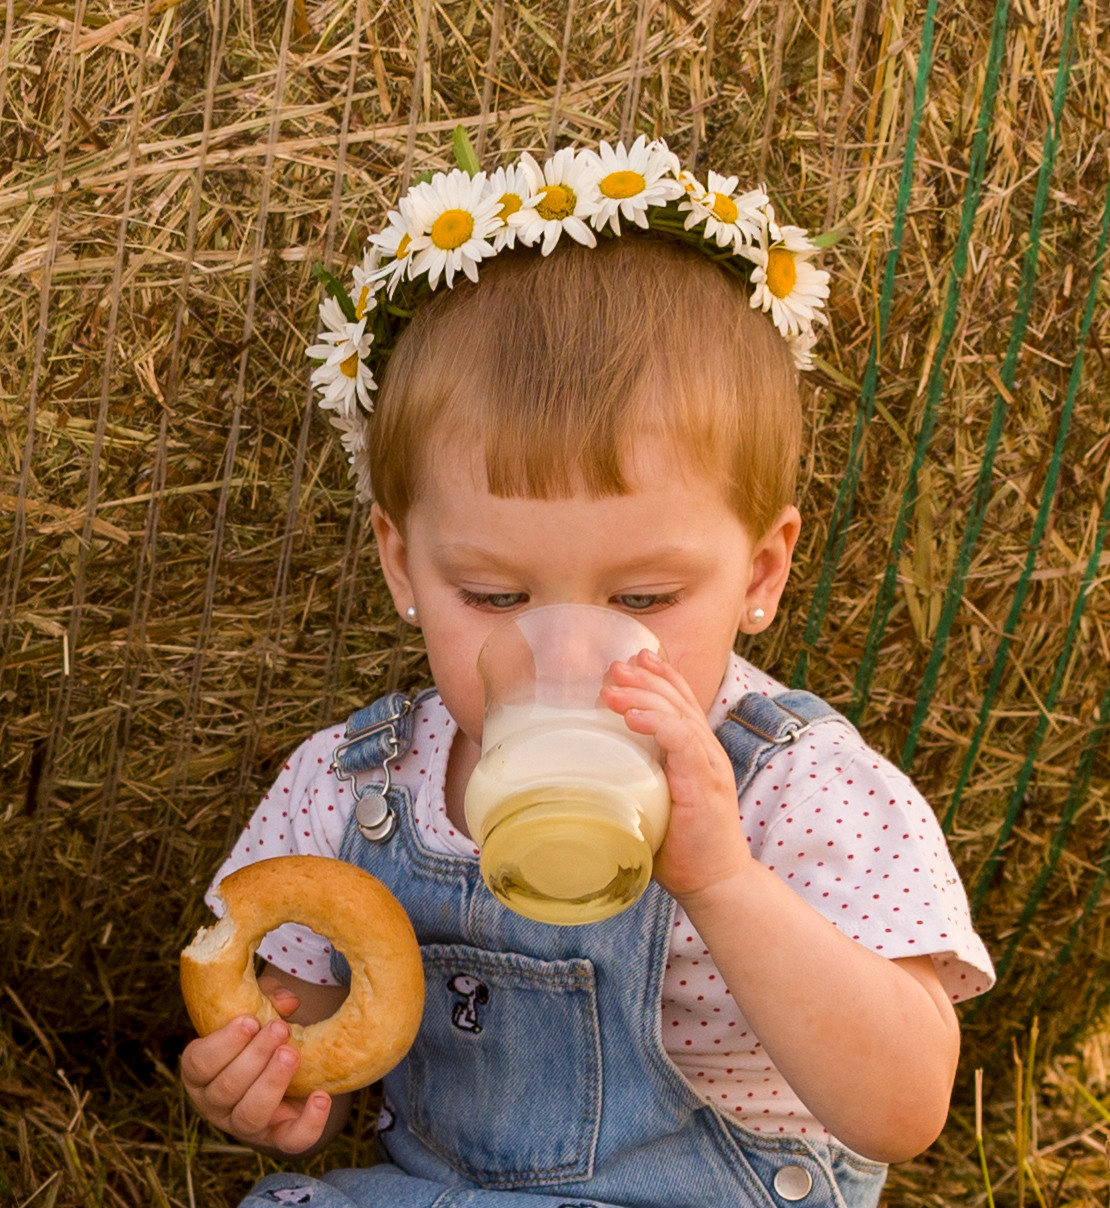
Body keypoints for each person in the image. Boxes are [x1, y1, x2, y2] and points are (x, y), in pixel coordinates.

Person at [180, 136, 994, 1208]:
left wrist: (724, 880)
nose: (566, 648)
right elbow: (295, 1011)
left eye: (645, 599)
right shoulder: (358, 784)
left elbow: (904, 1104)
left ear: (760, 571)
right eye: (498, 597)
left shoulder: (798, 788)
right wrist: (268, 1084)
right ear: (401, 562)